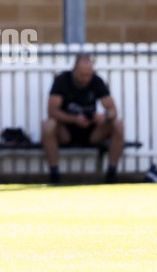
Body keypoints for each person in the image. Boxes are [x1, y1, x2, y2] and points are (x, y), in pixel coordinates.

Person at [41, 54, 125, 184]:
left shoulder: (97, 81)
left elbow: (113, 110)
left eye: (89, 75)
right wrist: (74, 119)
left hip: (92, 132)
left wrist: (104, 116)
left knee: (118, 124)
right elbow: (52, 111)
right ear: (74, 70)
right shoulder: (62, 81)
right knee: (48, 125)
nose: (86, 79)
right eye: (82, 75)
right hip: (66, 131)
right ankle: (54, 175)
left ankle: (111, 175)